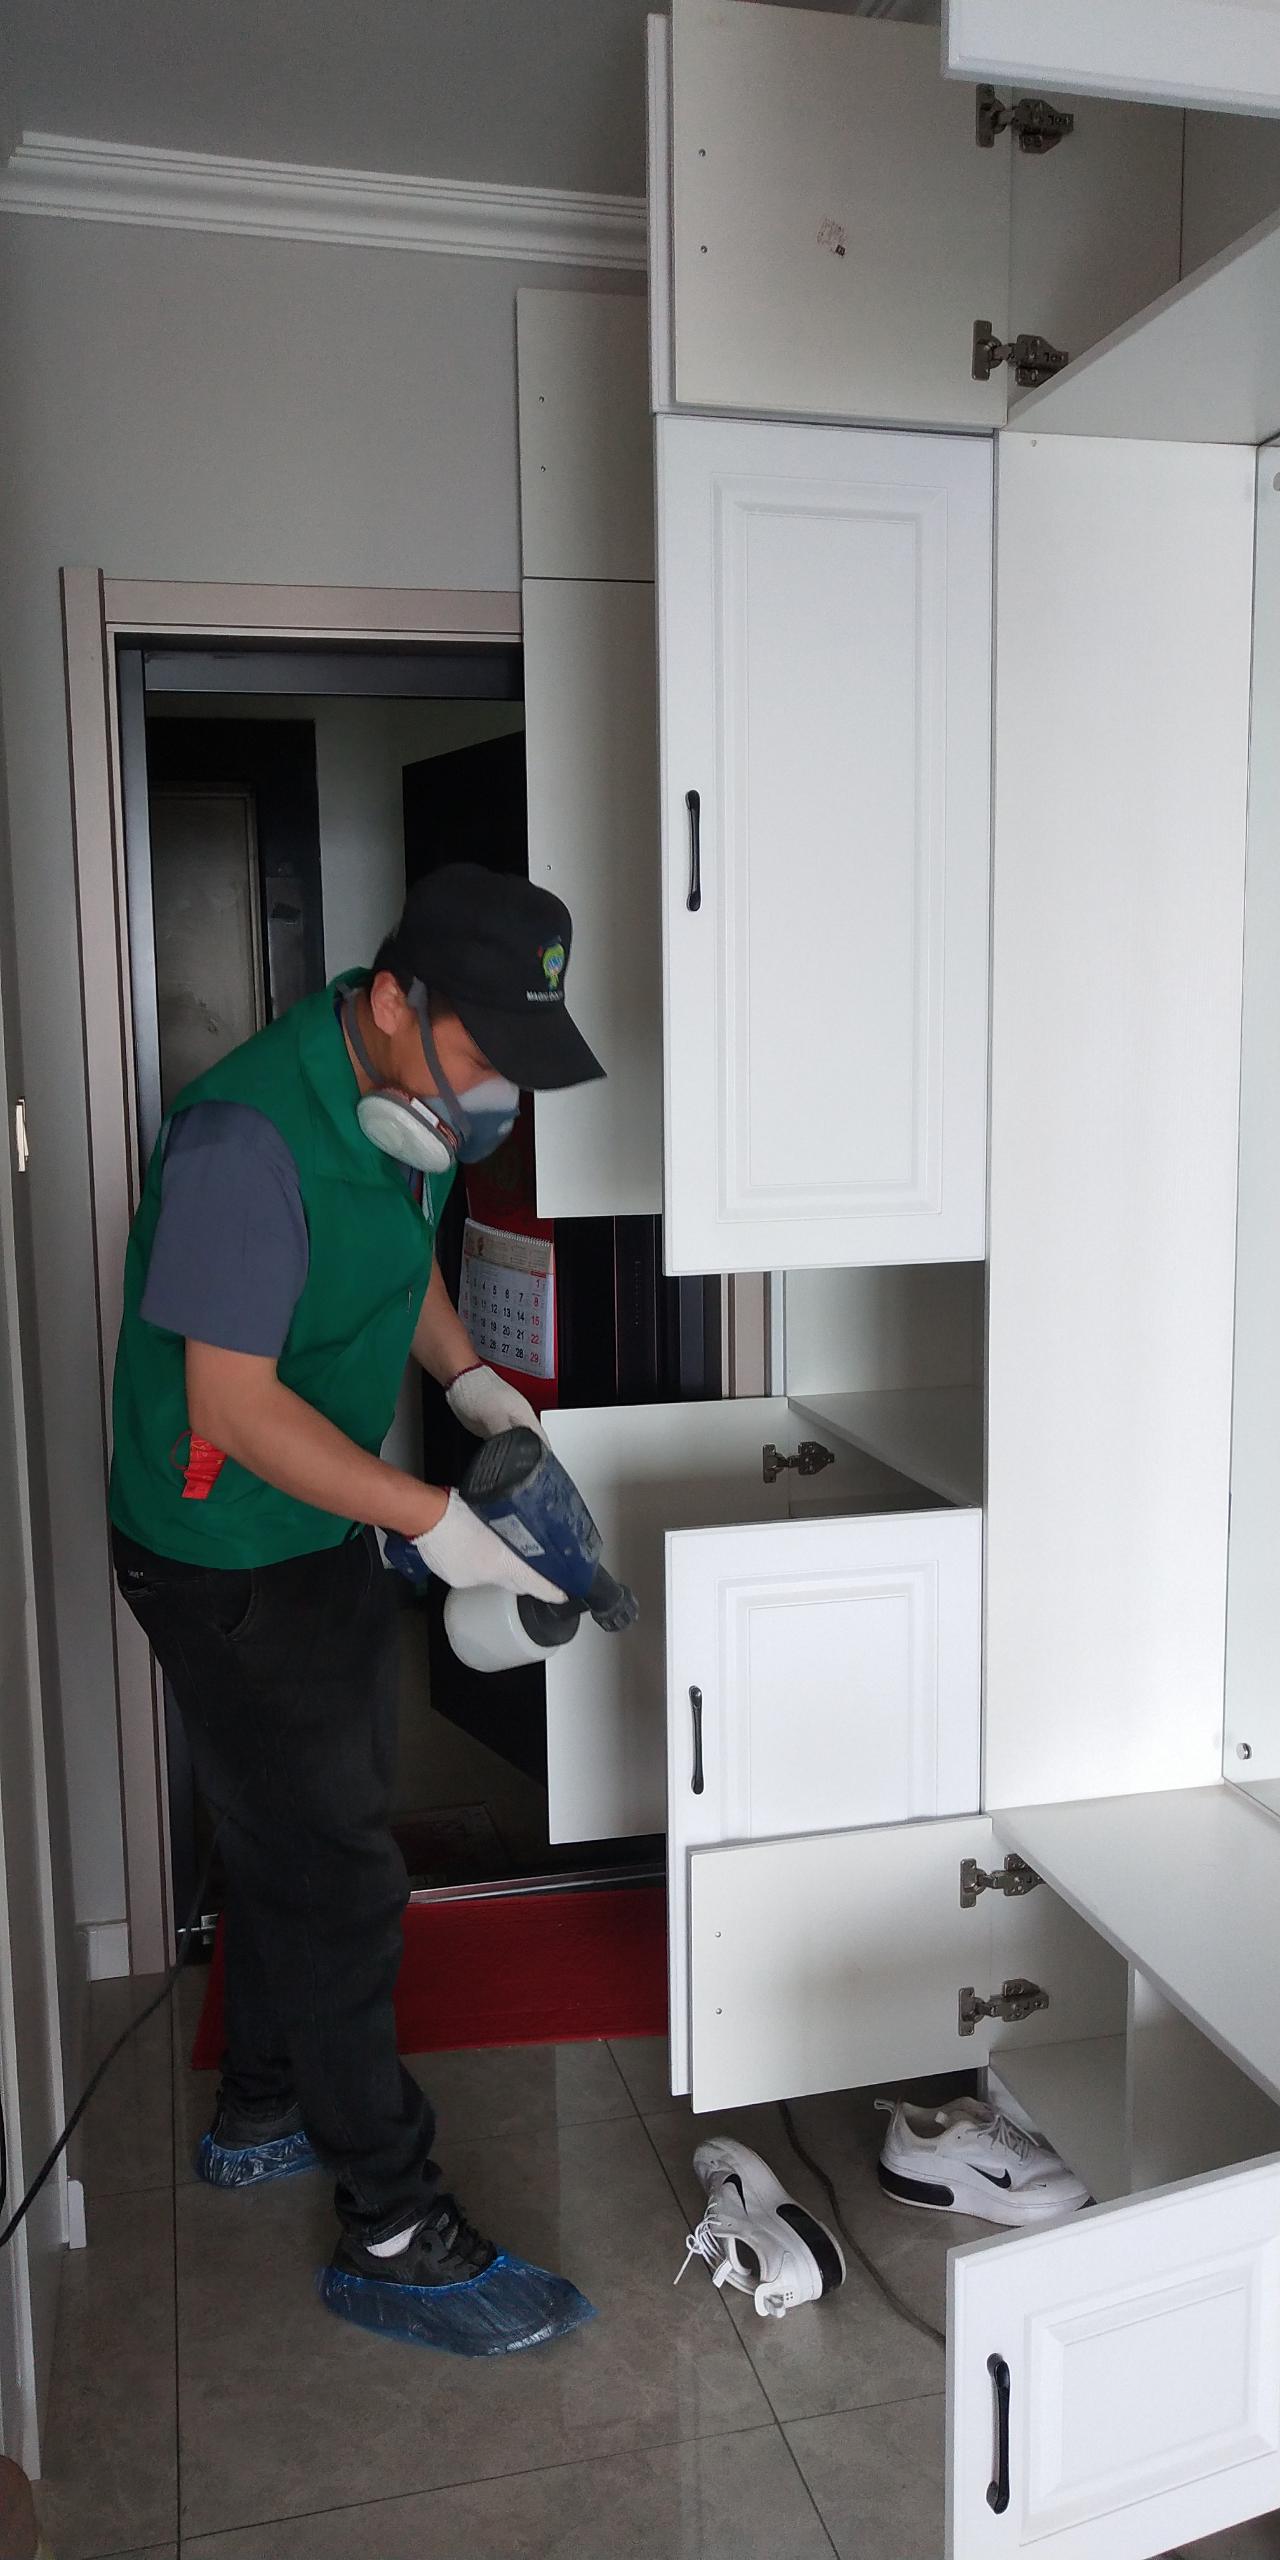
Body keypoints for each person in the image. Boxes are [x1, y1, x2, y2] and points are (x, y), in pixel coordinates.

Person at [110, 862, 603, 2351]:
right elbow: (233, 1406)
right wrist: (433, 1518)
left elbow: (399, 1261)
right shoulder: (244, 1141)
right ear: (392, 1001)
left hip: (314, 1519)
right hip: (222, 1546)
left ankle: (263, 2104)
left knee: (294, 1824)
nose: (496, 1095)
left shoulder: (412, 1109)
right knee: (336, 1870)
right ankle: (391, 2229)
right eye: (482, 1054)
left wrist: (468, 1378)